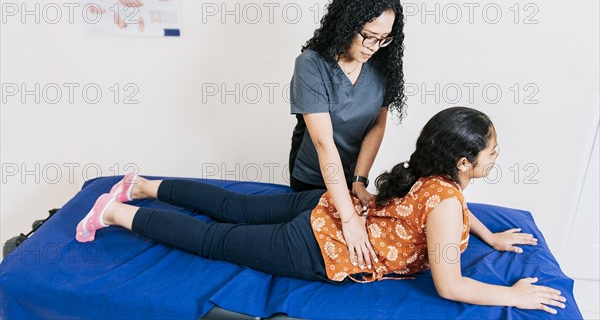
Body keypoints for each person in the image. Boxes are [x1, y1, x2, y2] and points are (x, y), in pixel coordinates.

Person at [76, 106, 566, 314]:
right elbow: (450, 284)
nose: (496, 156)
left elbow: (455, 210)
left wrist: (492, 237)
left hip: (329, 210)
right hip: (316, 246)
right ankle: (116, 212)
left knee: (233, 207)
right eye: (492, 150)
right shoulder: (445, 200)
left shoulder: (432, 174)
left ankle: (141, 185)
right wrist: (513, 297)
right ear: (464, 161)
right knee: (215, 240)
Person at [289, 0, 406, 269]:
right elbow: (322, 142)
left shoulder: (382, 65)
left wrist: (359, 180)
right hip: (312, 175)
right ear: (346, 22)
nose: (374, 46)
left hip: (353, 175)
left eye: (383, 38)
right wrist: (350, 219)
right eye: (368, 35)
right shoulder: (312, 65)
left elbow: (376, 126)